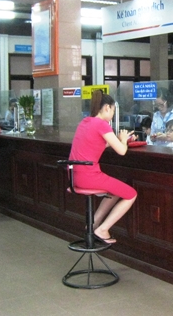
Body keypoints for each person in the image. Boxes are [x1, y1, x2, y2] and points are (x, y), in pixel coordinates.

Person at [68, 89, 137, 244]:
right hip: (89, 177)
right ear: (107, 107)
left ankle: (93, 225)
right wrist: (123, 140)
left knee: (115, 190)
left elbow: (97, 145)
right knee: (131, 194)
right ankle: (103, 229)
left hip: (74, 176)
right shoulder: (102, 124)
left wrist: (119, 139)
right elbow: (122, 151)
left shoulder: (85, 122)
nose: (112, 115)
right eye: (113, 111)